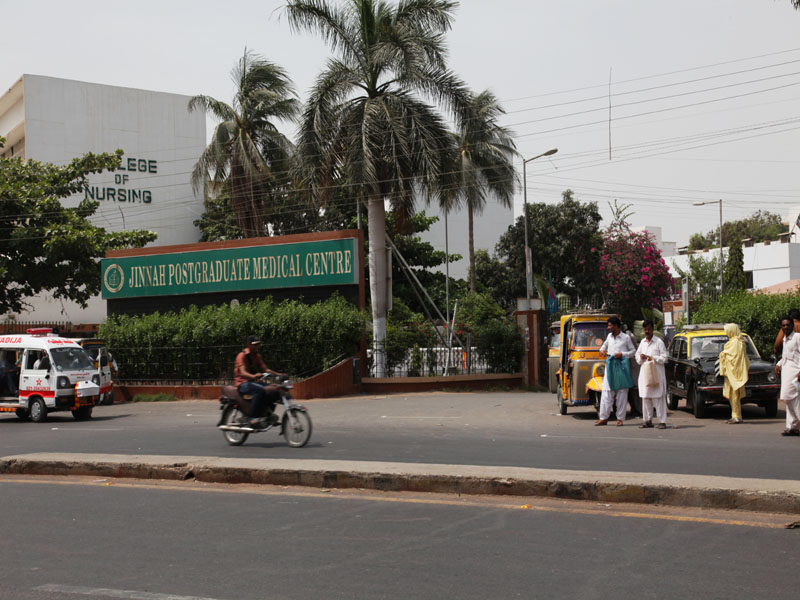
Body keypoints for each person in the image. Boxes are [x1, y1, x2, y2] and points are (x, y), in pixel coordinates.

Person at [234, 335, 283, 427]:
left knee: (274, 390)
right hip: (243, 383)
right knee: (259, 390)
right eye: (255, 345)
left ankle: (267, 414)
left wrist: (279, 375)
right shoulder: (242, 356)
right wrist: (253, 376)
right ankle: (252, 418)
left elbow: (266, 370)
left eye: (258, 345)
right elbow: (243, 372)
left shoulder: (257, 356)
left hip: (253, 382)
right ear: (248, 344)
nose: (257, 347)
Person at [595, 316, 636, 426]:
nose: (608, 328)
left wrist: (622, 354)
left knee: (622, 393)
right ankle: (603, 418)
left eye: (610, 325)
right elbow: (602, 347)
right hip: (610, 366)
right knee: (606, 392)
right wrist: (602, 351)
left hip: (622, 366)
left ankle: (620, 419)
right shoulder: (609, 336)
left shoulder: (626, 338)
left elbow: (633, 351)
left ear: (616, 326)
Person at [635, 320, 668, 429]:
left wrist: (652, 357)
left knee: (658, 398)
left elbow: (664, 358)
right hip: (645, 375)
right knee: (646, 398)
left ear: (653, 329)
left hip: (657, 375)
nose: (647, 331)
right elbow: (637, 357)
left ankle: (662, 421)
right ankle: (648, 420)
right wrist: (641, 358)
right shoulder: (642, 343)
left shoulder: (659, 342)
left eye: (649, 329)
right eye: (645, 329)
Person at [718, 323, 749, 424]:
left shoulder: (736, 342)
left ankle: (737, 417)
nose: (726, 332)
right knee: (732, 395)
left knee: (735, 395)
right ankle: (734, 415)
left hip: (734, 372)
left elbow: (733, 358)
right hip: (732, 372)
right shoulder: (737, 341)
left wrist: (723, 354)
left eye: (727, 330)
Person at [775, 315, 800, 436]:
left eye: (788, 325)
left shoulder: (797, 337)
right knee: (788, 399)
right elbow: (786, 356)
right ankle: (792, 427)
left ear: (792, 326)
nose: (786, 327)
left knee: (796, 400)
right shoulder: (785, 339)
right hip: (786, 372)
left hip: (795, 372)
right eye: (783, 325)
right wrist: (779, 364)